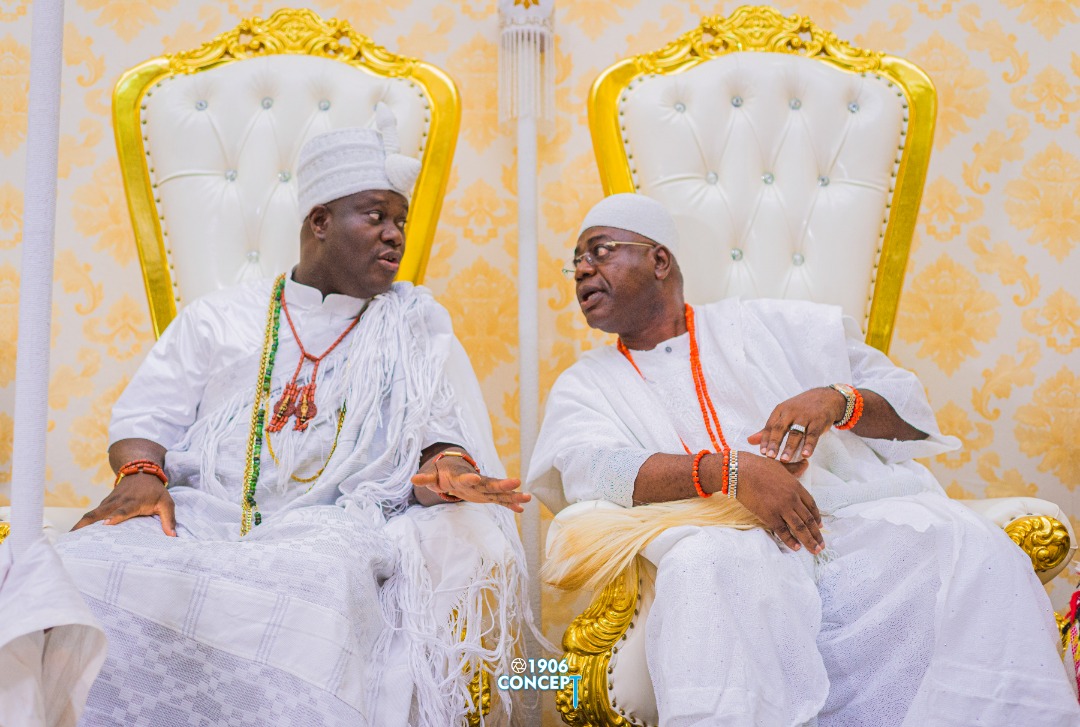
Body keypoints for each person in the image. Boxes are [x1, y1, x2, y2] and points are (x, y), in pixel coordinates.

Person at [57, 105, 532, 727]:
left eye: (401, 221)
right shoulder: (219, 317)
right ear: (319, 222)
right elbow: (147, 415)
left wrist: (447, 467)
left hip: (334, 523)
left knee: (314, 583)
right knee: (81, 565)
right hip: (206, 514)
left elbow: (436, 430)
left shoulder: (412, 323)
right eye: (376, 216)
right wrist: (142, 472)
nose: (395, 234)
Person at [529, 193, 1079, 726]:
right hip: (722, 545)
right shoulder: (585, 384)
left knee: (962, 543)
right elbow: (588, 468)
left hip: (839, 523)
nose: (580, 271)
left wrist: (837, 399)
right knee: (708, 569)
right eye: (575, 262)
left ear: (659, 260)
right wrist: (727, 472)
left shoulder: (778, 325)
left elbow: (910, 412)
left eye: (598, 251)